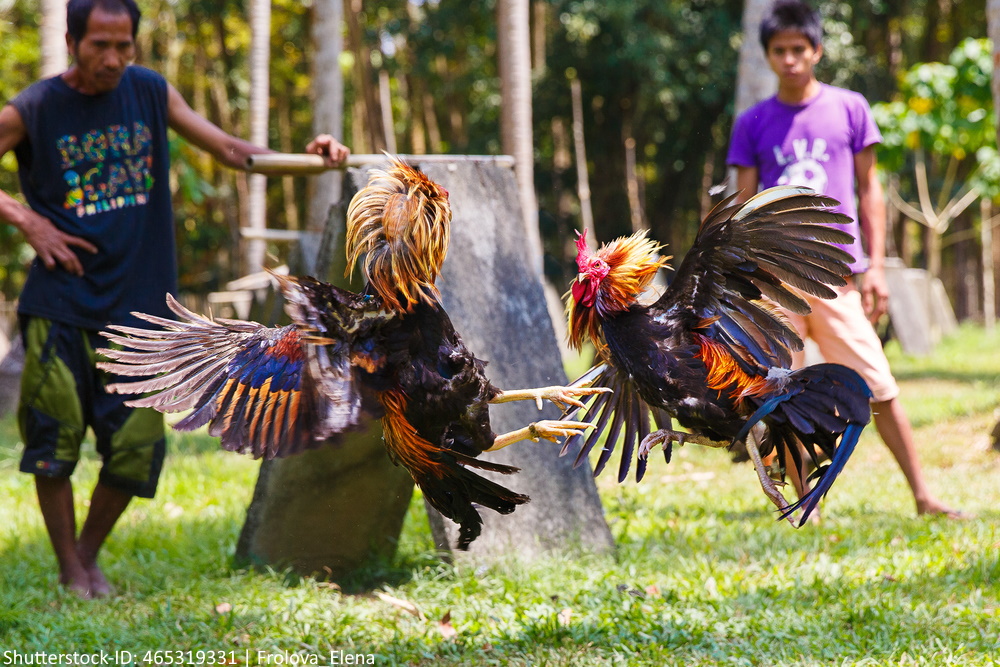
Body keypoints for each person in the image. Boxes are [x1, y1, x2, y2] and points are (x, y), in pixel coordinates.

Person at [0, 0, 349, 599]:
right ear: (72, 40)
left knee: (137, 448)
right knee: (53, 441)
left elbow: (232, 151)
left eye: (124, 46)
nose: (112, 59)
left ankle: (87, 556)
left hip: (140, 308)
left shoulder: (150, 92)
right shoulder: (35, 106)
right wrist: (26, 221)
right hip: (60, 302)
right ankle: (68, 568)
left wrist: (311, 161)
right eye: (98, 46)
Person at [726, 0, 962, 520]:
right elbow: (742, 206)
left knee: (878, 386)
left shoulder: (850, 108)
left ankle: (923, 496)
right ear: (767, 56)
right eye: (779, 51)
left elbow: (869, 189)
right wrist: (740, 278)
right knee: (777, 396)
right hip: (771, 280)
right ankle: (800, 500)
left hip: (835, 277)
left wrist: (875, 264)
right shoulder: (753, 122)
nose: (790, 60)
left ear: (817, 51)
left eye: (798, 49)